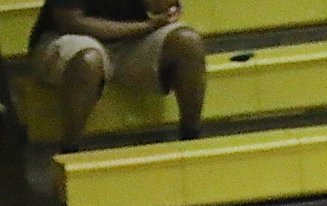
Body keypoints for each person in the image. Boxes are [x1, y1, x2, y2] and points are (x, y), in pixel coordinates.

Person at [27, 0, 206, 154]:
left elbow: (166, 10)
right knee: (88, 60)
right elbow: (71, 22)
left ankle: (191, 139)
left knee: (188, 41)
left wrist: (151, 19)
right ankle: (69, 151)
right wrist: (145, 26)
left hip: (133, 39)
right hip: (70, 37)